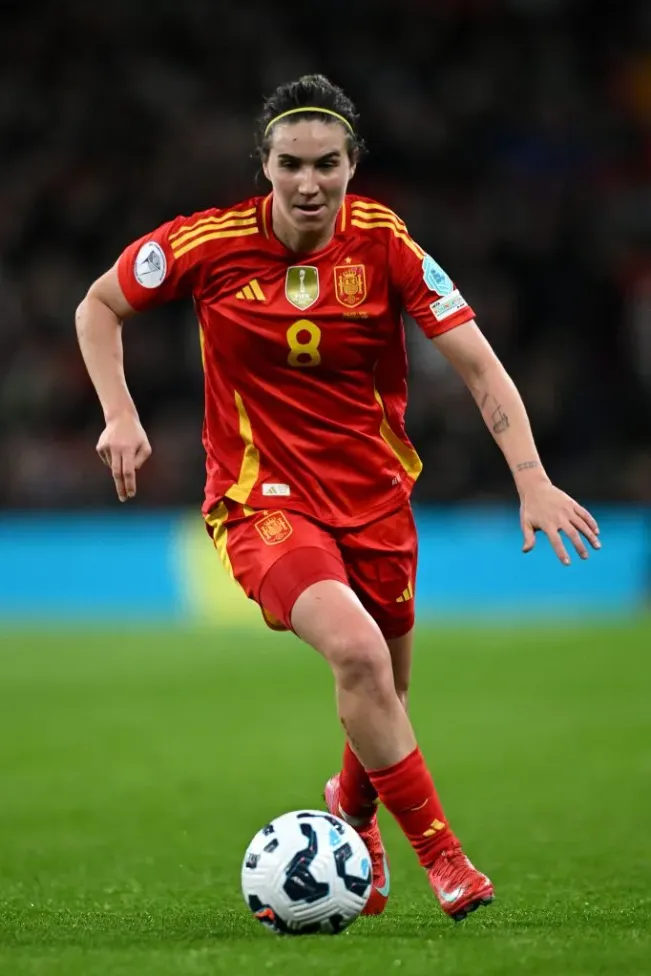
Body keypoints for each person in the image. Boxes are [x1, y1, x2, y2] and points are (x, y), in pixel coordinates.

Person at [75, 74, 601, 923]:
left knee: (384, 690)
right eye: (290, 164)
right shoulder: (205, 244)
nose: (308, 183)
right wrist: (120, 413)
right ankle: (446, 860)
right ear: (265, 166)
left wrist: (531, 478)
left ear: (354, 165)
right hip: (260, 500)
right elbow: (99, 305)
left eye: (327, 164)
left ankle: (349, 817)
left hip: (376, 499)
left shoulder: (385, 245)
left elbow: (476, 361)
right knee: (356, 655)